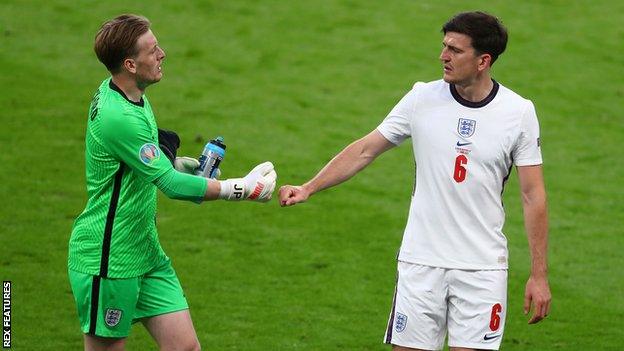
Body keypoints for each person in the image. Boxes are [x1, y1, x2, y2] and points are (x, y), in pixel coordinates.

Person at [279, 11, 550, 351]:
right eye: (443, 46)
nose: (443, 56)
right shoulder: (422, 98)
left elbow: (532, 195)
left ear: (483, 60)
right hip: (421, 262)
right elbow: (365, 149)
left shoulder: (519, 112)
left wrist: (539, 274)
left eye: (454, 50)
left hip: (482, 269)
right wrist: (309, 187)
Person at [68, 14, 277, 351]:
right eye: (153, 51)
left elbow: (144, 163)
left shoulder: (131, 95)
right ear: (130, 64)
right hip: (108, 260)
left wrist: (178, 164)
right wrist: (240, 189)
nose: (162, 53)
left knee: (185, 347)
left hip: (145, 252)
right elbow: (169, 185)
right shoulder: (119, 117)